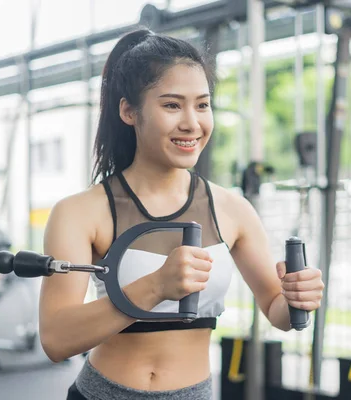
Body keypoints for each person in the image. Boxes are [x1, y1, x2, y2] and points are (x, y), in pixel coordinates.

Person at [39, 28, 325, 400]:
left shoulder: (232, 209)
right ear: (129, 111)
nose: (192, 123)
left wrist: (296, 298)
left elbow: (276, 310)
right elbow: (56, 339)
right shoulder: (79, 212)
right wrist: (156, 286)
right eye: (172, 105)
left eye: (202, 105)